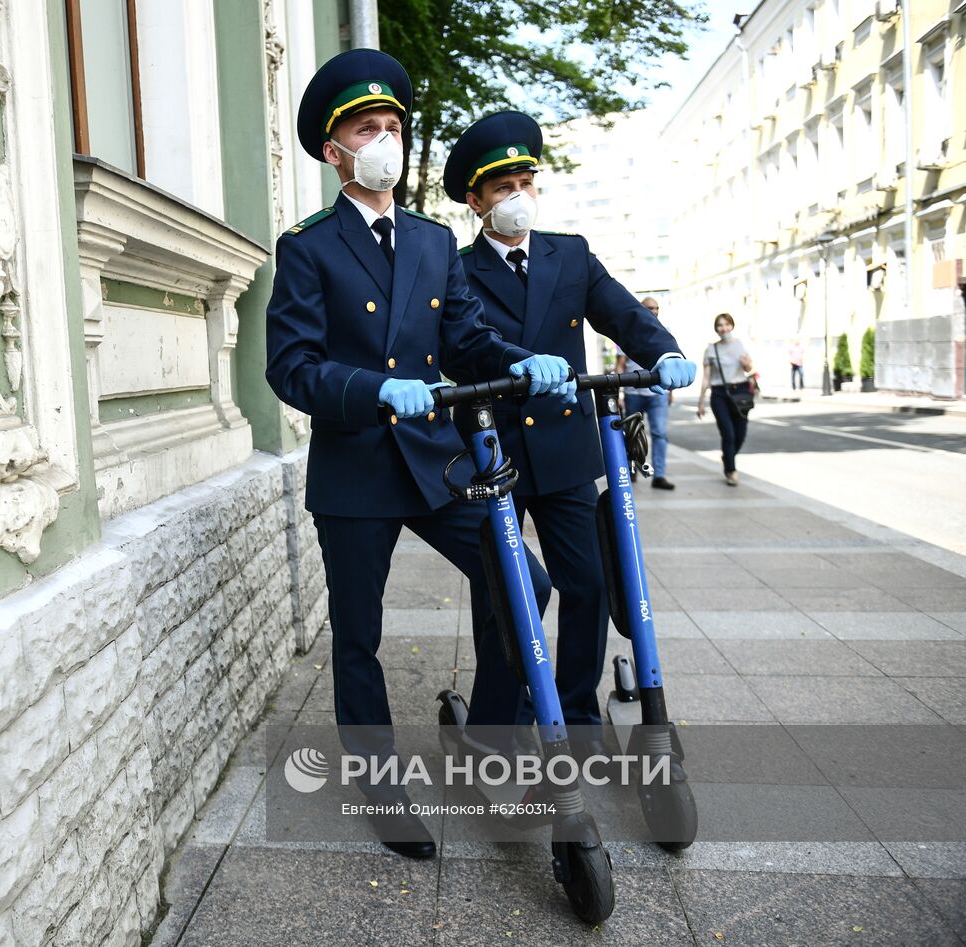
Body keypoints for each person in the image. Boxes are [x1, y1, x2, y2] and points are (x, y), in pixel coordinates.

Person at [264, 51, 576, 860]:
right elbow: (290, 367)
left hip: (436, 461)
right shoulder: (308, 245)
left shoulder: (435, 241)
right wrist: (368, 387)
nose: (385, 141)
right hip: (357, 469)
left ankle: (491, 742)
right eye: (368, 129)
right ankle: (380, 785)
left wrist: (515, 362)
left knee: (523, 581)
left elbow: (465, 338)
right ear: (334, 151)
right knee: (359, 636)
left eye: (394, 126)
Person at [441, 111, 698, 754]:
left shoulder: (571, 253)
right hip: (492, 450)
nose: (518, 197)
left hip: (563, 449)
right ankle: (500, 723)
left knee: (587, 586)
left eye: (526, 181)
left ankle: (579, 714)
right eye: (502, 188)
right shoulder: (456, 269)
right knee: (504, 591)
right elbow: (459, 347)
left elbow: (621, 312)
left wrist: (662, 351)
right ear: (475, 201)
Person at [616, 297, 675, 490]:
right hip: (633, 393)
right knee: (631, 435)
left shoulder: (665, 332)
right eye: (650, 308)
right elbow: (620, 365)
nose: (654, 311)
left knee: (659, 433)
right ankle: (633, 469)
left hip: (658, 394)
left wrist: (671, 390)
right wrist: (617, 393)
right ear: (641, 308)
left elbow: (670, 363)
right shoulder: (627, 333)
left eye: (657, 308)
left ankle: (659, 475)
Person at [696, 313, 754, 485]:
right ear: (716, 329)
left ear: (732, 326)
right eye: (720, 325)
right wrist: (701, 402)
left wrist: (747, 364)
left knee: (740, 435)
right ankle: (731, 470)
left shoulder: (740, 344)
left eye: (727, 324)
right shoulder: (711, 349)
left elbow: (749, 368)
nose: (724, 328)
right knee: (728, 434)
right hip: (720, 394)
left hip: (741, 391)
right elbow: (706, 377)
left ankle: (727, 456)